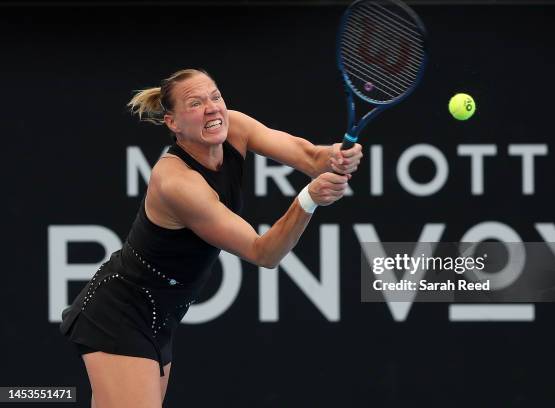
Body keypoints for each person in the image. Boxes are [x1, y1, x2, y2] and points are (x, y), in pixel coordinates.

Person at [59, 68, 363, 408]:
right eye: (195, 103)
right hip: (120, 314)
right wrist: (308, 199)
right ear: (173, 123)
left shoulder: (236, 127)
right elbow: (263, 253)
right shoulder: (177, 183)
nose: (212, 108)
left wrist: (336, 156)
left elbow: (310, 157)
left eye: (215, 96)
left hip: (158, 319)